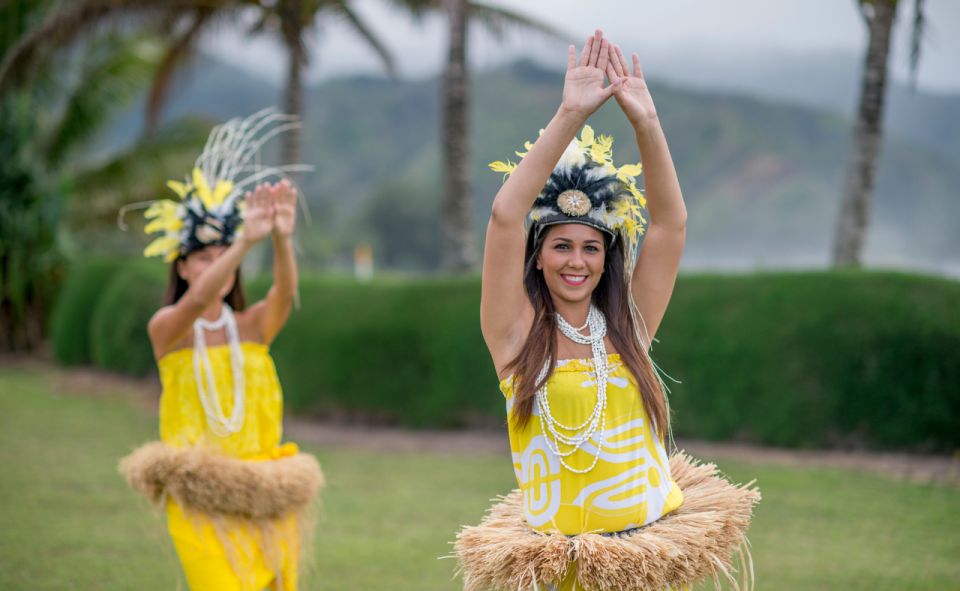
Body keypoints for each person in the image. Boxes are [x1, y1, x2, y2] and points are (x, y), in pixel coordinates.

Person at [455, 31, 759, 591]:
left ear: (606, 257)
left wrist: (645, 122)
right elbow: (504, 216)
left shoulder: (627, 329)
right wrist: (571, 113)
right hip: (563, 567)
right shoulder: (516, 335)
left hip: (647, 558)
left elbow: (669, 226)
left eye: (591, 247)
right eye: (562, 246)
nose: (578, 261)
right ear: (538, 257)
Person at [119, 109, 323, 591]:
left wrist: (280, 238)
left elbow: (284, 293)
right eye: (203, 257)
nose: (217, 266)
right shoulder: (168, 329)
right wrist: (241, 243)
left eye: (222, 255)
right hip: (199, 497)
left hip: (264, 492)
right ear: (183, 267)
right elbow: (195, 302)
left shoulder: (251, 326)